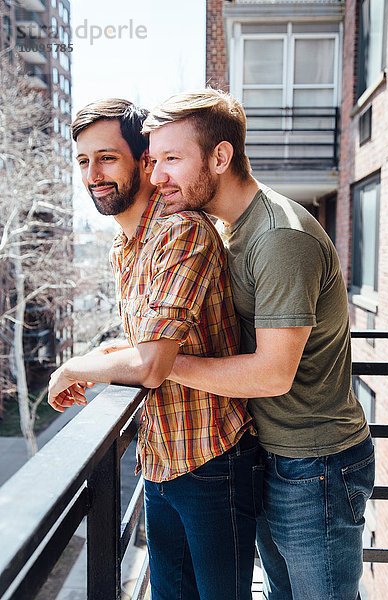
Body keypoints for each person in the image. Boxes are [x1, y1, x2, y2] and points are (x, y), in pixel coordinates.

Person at [143, 89, 375, 600]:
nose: (157, 176)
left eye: (172, 159)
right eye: (154, 160)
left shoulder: (279, 238)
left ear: (220, 157)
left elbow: (272, 373)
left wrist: (159, 365)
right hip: (272, 454)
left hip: (317, 465)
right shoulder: (229, 229)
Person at [47, 98, 262, 600]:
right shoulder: (126, 247)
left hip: (212, 461)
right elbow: (147, 341)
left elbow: (150, 363)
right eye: (83, 161)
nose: (93, 174)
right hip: (161, 458)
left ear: (144, 160)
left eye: (107, 157)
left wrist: (77, 367)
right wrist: (105, 356)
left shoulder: (180, 234)